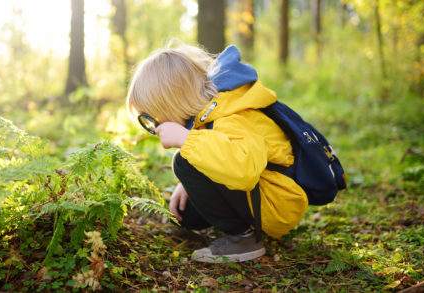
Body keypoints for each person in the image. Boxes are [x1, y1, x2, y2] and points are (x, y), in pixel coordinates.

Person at [126, 41, 308, 263]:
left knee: (182, 162)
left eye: (153, 117)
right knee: (187, 214)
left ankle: (242, 239)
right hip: (261, 194)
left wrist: (186, 140)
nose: (154, 126)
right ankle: (234, 226)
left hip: (276, 203)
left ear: (172, 102)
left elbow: (244, 169)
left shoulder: (231, 113)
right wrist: (187, 183)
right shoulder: (208, 111)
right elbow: (218, 150)